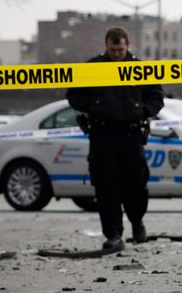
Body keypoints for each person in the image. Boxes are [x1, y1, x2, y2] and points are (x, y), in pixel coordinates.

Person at [66, 27, 164, 251]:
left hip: (131, 134)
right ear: (106, 46)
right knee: (105, 187)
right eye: (112, 49)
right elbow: (74, 96)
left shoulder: (140, 68)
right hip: (103, 135)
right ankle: (113, 235)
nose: (117, 53)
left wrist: (141, 111)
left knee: (136, 185)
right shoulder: (92, 68)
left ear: (127, 45)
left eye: (120, 49)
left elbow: (157, 98)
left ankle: (137, 221)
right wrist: (95, 107)